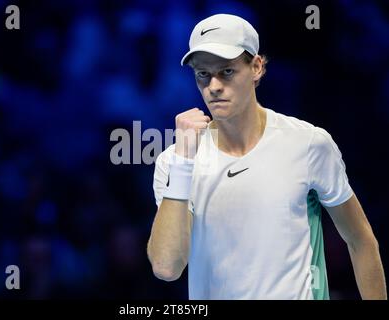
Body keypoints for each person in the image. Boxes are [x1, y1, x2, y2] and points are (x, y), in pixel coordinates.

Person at [146, 13, 387, 300]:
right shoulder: (174, 161)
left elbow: (360, 239)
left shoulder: (309, 143)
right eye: (203, 74)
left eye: (226, 71)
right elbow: (166, 267)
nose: (213, 86)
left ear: (257, 67)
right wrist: (184, 162)